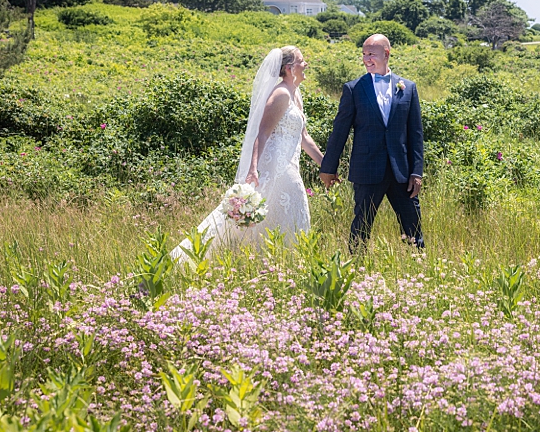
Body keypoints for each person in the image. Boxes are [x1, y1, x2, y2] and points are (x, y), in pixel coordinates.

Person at [171, 46, 323, 261]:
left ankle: (280, 261)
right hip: (275, 167)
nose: (306, 64)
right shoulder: (280, 94)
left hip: (290, 165)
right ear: (289, 68)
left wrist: (326, 166)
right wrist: (253, 168)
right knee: (252, 217)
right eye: (302, 61)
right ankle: (188, 259)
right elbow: (262, 133)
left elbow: (304, 137)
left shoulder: (295, 93)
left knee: (277, 215)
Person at [319, 34, 425, 251]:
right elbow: (339, 131)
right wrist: (328, 168)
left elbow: (415, 133)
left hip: (401, 173)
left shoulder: (408, 88)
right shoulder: (353, 89)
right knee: (361, 226)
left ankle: (418, 266)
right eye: (364, 54)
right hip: (367, 169)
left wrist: (417, 171)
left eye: (371, 54)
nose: (367, 59)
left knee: (413, 226)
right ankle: (357, 269)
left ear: (386, 54)